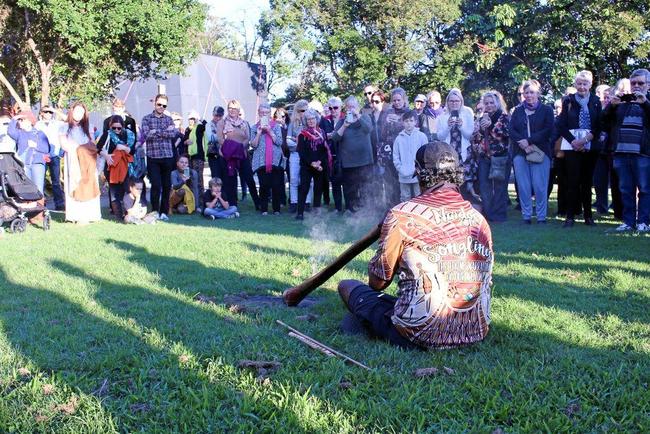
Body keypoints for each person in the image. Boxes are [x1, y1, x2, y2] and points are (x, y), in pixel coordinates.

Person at [336, 141, 493, 350]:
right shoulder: (479, 219)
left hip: (419, 333)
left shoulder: (401, 215)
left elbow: (377, 282)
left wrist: (389, 232)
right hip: (476, 330)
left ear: (419, 172)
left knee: (347, 286)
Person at [602, 69, 650, 232]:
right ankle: (628, 222)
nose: (636, 86)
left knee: (644, 189)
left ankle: (643, 222)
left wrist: (645, 103)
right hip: (621, 152)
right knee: (625, 189)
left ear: (648, 85)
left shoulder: (648, 102)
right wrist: (611, 106)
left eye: (640, 83)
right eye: (634, 83)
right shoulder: (621, 103)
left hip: (643, 153)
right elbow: (602, 122)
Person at [557, 70, 602, 228]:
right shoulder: (568, 100)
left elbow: (599, 125)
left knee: (587, 182)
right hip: (572, 147)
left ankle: (588, 217)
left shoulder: (596, 101)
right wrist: (574, 142)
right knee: (572, 182)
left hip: (590, 147)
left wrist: (585, 140)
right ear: (575, 84)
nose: (582, 87)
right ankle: (570, 217)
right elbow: (561, 125)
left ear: (590, 84)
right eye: (579, 83)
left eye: (585, 83)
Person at [509, 79, 554, 224]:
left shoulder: (546, 110)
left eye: (532, 92)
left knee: (540, 186)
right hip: (520, 152)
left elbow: (548, 130)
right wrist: (522, 143)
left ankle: (541, 217)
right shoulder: (518, 110)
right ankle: (526, 216)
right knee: (523, 186)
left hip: (540, 152)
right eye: (526, 92)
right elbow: (512, 129)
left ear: (538, 93)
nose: (529, 95)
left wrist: (529, 141)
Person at [59, 102, 101, 224]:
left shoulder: (88, 127)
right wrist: (76, 148)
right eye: (77, 111)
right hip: (72, 159)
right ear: (72, 111)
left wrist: (83, 149)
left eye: (82, 112)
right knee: (75, 184)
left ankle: (90, 215)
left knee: (88, 183)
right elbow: (64, 144)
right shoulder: (64, 127)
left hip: (87, 160)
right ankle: (75, 215)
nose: (79, 114)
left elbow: (92, 143)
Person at [330, 96, 374, 212]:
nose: (351, 109)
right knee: (350, 188)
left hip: (364, 160)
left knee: (365, 187)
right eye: (349, 107)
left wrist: (358, 116)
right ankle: (351, 209)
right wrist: (345, 125)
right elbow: (335, 138)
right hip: (348, 162)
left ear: (358, 107)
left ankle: (366, 210)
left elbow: (369, 129)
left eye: (353, 106)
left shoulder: (365, 117)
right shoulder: (342, 121)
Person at [472, 91, 511, 222]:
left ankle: (499, 215)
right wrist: (480, 130)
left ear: (497, 103)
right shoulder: (481, 118)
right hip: (484, 157)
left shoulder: (504, 117)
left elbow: (503, 134)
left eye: (491, 103)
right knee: (484, 187)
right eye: (486, 103)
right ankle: (488, 214)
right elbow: (476, 137)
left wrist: (489, 127)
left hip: (500, 157)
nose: (489, 105)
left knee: (500, 187)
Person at [436, 88, 479, 205]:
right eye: (451, 101)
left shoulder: (468, 112)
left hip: (464, 152)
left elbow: (469, 135)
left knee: (466, 183)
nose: (454, 103)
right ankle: (453, 207)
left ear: (461, 101)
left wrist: (461, 126)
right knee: (451, 182)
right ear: (447, 102)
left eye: (457, 101)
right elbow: (440, 137)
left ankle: (467, 209)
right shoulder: (442, 116)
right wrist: (448, 127)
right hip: (449, 153)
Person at [140, 94, 177, 221]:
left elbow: (173, 134)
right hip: (153, 157)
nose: (161, 107)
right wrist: (164, 131)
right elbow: (146, 135)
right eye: (159, 104)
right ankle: (155, 211)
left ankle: (164, 212)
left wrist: (155, 131)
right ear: (154, 103)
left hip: (167, 156)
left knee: (167, 186)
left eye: (164, 105)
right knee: (155, 185)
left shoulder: (169, 119)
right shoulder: (146, 119)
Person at [97, 115, 136, 219]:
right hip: (112, 166)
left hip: (126, 166)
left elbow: (133, 151)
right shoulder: (107, 134)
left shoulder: (129, 135)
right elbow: (98, 148)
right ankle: (118, 216)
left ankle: (129, 214)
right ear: (110, 126)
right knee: (114, 192)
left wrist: (123, 147)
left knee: (128, 191)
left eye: (119, 128)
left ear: (123, 126)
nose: (116, 130)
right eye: (114, 128)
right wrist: (106, 155)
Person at [250, 102, 285, 215]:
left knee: (276, 186)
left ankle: (276, 209)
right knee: (263, 186)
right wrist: (259, 133)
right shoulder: (254, 127)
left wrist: (270, 131)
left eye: (267, 112)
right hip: (261, 161)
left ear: (270, 113)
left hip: (275, 161)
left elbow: (279, 142)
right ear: (259, 113)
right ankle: (264, 209)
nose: (264, 114)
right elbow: (253, 145)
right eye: (262, 112)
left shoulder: (276, 127)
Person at [296, 109, 330, 220]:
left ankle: (316, 212)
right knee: (304, 188)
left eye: (313, 119)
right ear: (305, 121)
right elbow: (301, 152)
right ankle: (300, 213)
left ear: (317, 119)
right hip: (306, 165)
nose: (311, 121)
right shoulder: (302, 135)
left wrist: (319, 162)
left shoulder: (322, 132)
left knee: (318, 188)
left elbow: (324, 150)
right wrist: (312, 163)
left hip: (319, 165)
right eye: (308, 119)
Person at [216, 99, 250, 207]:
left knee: (249, 178)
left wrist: (239, 147)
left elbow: (247, 138)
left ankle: (259, 204)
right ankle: (231, 203)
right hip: (227, 156)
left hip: (242, 154)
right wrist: (231, 148)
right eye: (230, 108)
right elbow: (220, 139)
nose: (232, 110)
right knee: (230, 180)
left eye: (234, 108)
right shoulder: (222, 122)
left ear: (238, 109)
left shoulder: (244, 123)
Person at [379, 88, 410, 206]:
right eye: (394, 100)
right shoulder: (387, 112)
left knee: (404, 181)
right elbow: (382, 134)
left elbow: (412, 129)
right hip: (390, 152)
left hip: (405, 151)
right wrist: (386, 122)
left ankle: (405, 207)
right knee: (390, 181)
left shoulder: (409, 112)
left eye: (399, 100)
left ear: (404, 99)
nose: (396, 102)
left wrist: (399, 121)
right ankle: (391, 207)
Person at [7, 110, 50, 193]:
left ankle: (40, 205)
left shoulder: (40, 133)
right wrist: (14, 118)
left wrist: (36, 146)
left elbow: (46, 149)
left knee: (38, 189)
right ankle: (30, 205)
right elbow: (10, 131)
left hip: (37, 163)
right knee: (27, 189)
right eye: (19, 120)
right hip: (24, 165)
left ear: (29, 121)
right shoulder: (19, 133)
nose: (20, 122)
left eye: (22, 120)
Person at [392, 110, 428, 201]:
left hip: (417, 174)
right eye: (406, 121)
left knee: (419, 196)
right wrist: (401, 169)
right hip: (403, 174)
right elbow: (396, 157)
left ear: (415, 122)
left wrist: (420, 169)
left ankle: (418, 214)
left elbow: (425, 155)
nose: (409, 124)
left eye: (411, 121)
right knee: (405, 197)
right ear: (402, 123)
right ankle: (405, 214)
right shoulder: (399, 139)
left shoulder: (422, 136)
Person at [36, 105, 65, 210]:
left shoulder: (57, 124)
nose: (48, 114)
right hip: (42, 156)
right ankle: (40, 204)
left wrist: (55, 110)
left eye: (50, 112)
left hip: (54, 155)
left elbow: (68, 120)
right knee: (40, 181)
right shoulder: (37, 125)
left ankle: (59, 204)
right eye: (46, 112)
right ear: (41, 113)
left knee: (56, 181)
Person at [320, 97, 345, 212]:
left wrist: (336, 135)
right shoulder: (324, 120)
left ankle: (349, 207)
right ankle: (338, 207)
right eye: (330, 108)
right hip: (330, 155)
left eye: (335, 108)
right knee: (334, 183)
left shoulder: (346, 118)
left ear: (340, 108)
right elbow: (320, 135)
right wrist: (327, 136)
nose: (333, 110)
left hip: (344, 154)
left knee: (346, 183)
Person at [286, 99, 311, 213]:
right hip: (295, 154)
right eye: (301, 110)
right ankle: (294, 202)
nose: (304, 113)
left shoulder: (311, 122)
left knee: (308, 180)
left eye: (306, 110)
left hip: (308, 155)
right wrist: (299, 146)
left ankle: (307, 202)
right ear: (297, 111)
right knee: (294, 179)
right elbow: (288, 141)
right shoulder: (292, 124)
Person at [592, 85, 612, 214]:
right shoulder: (596, 109)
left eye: (607, 95)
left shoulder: (614, 108)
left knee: (617, 182)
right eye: (601, 95)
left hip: (612, 148)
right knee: (599, 180)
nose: (604, 98)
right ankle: (601, 206)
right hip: (598, 150)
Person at [184, 110, 207, 194]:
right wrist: (186, 142)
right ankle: (189, 198)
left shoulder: (199, 127)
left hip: (198, 157)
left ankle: (200, 199)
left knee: (198, 178)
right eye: (189, 119)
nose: (191, 120)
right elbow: (184, 141)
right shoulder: (187, 129)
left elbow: (206, 126)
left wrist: (200, 118)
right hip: (187, 158)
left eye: (193, 118)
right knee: (187, 178)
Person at [206, 106, 225, 179]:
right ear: (213, 115)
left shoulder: (225, 123)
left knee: (224, 176)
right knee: (215, 176)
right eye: (216, 115)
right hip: (213, 153)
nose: (217, 117)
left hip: (224, 153)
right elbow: (210, 138)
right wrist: (222, 135)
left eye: (219, 116)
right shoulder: (209, 124)